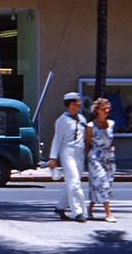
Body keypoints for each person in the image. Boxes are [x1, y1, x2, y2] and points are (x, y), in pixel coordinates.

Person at [48, 91, 87, 222]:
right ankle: (78, 212)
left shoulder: (82, 119)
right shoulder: (62, 120)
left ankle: (60, 207)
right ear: (71, 105)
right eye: (77, 103)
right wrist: (53, 158)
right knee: (74, 181)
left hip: (79, 153)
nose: (80, 105)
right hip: (67, 152)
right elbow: (57, 139)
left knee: (73, 182)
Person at [86, 97, 116, 222]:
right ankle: (108, 213)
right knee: (102, 181)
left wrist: (112, 147)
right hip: (95, 156)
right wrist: (89, 157)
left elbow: (111, 139)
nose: (107, 110)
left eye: (108, 108)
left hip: (109, 156)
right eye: (104, 108)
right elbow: (87, 143)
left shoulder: (112, 123)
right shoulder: (91, 126)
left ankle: (90, 208)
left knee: (103, 183)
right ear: (97, 110)